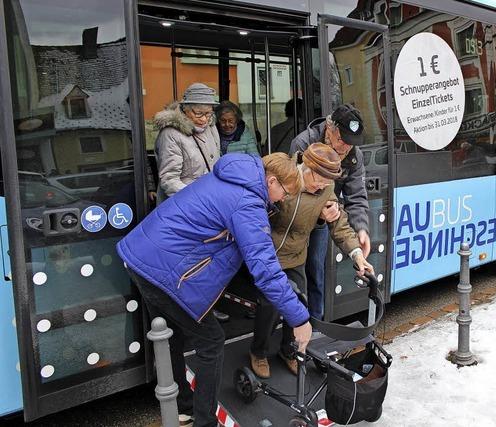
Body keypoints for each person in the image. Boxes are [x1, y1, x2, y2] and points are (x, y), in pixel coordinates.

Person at [117, 153, 312, 427]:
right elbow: (265, 269)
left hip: (142, 256)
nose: (282, 200)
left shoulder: (232, 177)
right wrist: (299, 318)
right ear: (271, 181)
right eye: (284, 193)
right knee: (211, 341)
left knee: (169, 336)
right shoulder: (247, 203)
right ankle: (206, 422)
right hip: (161, 269)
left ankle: (184, 407)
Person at [249, 143, 374, 378]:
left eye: (329, 182)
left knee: (299, 306)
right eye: (320, 180)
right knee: (268, 307)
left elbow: (339, 225)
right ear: (308, 167)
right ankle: (259, 352)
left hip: (296, 256)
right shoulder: (287, 178)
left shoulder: (326, 189)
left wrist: (357, 255)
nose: (324, 186)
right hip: (269, 255)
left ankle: (289, 351)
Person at [154, 83, 228, 323]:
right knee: (188, 265)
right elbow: (168, 180)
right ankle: (186, 314)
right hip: (185, 211)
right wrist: (200, 201)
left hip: (210, 208)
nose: (205, 119)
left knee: (209, 263)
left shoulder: (211, 128)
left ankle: (208, 308)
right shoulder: (170, 134)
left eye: (209, 113)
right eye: (199, 113)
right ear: (184, 110)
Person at [289, 104, 370, 319]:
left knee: (316, 270)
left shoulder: (353, 153)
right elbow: (291, 192)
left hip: (326, 219)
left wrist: (361, 228)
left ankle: (316, 324)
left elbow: (356, 195)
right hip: (296, 221)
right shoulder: (303, 143)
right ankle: (294, 324)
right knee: (295, 273)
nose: (345, 148)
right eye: (342, 140)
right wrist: (319, 209)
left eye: (352, 143)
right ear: (329, 128)